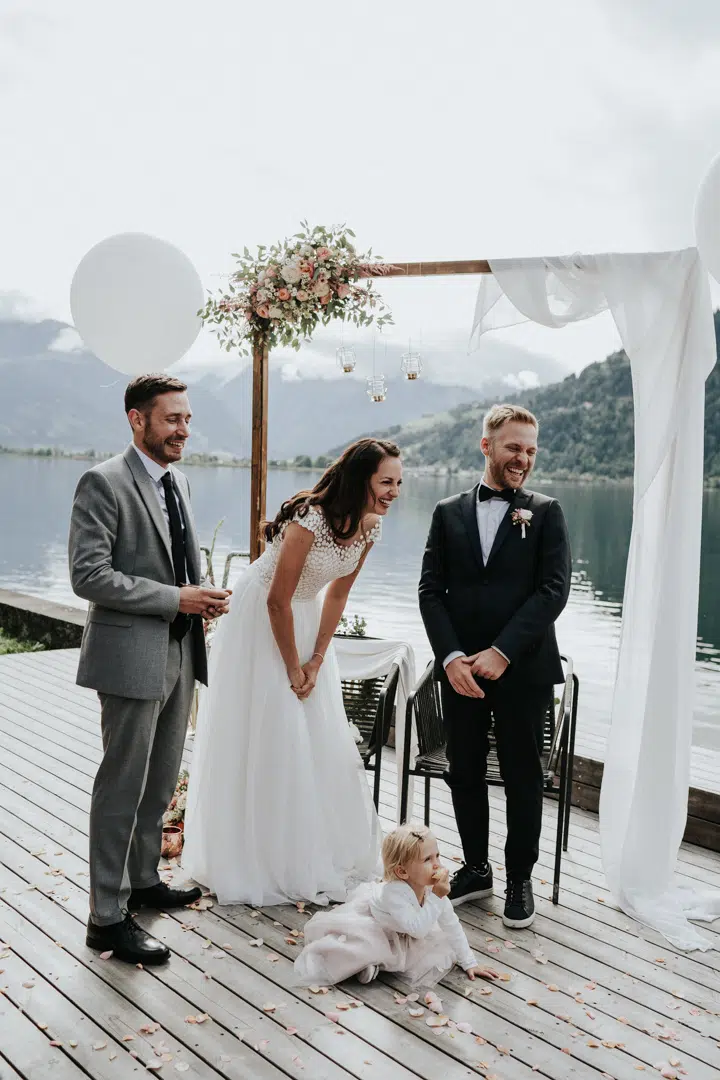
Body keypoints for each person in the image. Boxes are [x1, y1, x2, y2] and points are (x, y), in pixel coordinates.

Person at [182, 438, 403, 906]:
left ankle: (305, 848)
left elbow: (338, 595)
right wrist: (291, 669)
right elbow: (276, 600)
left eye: (398, 483)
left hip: (304, 617)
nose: (394, 492)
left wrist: (317, 659)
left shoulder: (370, 528)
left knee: (313, 734)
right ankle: (254, 855)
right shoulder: (310, 519)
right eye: (386, 482)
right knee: (272, 727)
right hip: (262, 617)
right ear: (361, 479)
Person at [69, 374, 231, 965]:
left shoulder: (179, 481)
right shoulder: (103, 482)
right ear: (137, 420)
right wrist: (175, 598)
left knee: (160, 780)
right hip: (129, 657)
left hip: (182, 652)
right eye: (172, 419)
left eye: (187, 419)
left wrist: (199, 601)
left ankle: (141, 880)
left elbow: (175, 562)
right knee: (122, 785)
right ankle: (106, 917)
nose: (183, 429)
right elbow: (88, 575)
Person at [419, 404, 571, 929]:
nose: (523, 459)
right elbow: (430, 591)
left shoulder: (546, 512)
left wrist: (502, 651)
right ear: (486, 446)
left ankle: (519, 878)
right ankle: (477, 869)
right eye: (513, 447)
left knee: (523, 776)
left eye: (530, 450)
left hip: (523, 671)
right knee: (463, 770)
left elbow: (553, 591)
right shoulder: (447, 512)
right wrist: (451, 658)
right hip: (461, 672)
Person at [293, 824, 499, 988]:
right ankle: (364, 964)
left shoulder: (431, 890)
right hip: (378, 925)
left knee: (417, 947)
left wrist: (469, 962)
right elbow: (417, 930)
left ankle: (378, 964)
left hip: (407, 929)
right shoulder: (394, 893)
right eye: (427, 859)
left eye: (437, 856)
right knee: (366, 945)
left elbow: (451, 924)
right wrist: (437, 896)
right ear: (402, 872)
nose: (437, 864)